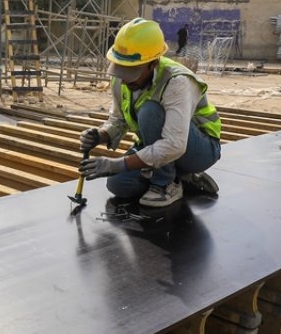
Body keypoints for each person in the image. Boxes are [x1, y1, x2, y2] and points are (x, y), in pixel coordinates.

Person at [77, 18, 223, 208]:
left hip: (199, 148)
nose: (126, 78)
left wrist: (116, 164)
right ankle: (183, 177)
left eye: (133, 71)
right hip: (159, 143)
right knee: (119, 184)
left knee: (149, 111)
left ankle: (165, 184)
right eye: (122, 69)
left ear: (152, 64)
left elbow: (174, 145)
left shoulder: (177, 81)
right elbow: (118, 119)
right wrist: (101, 135)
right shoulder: (121, 79)